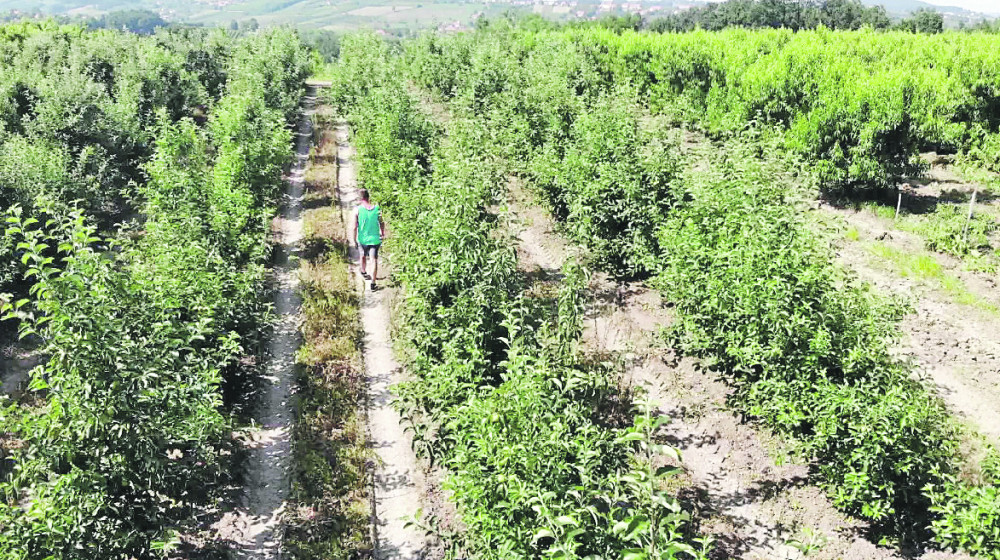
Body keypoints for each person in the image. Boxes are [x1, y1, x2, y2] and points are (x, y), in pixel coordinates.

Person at [351, 188, 384, 291]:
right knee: (374, 260)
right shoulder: (377, 209)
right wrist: (382, 233)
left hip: (362, 239)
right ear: (368, 197)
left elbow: (354, 227)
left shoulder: (358, 210)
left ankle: (363, 271)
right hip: (375, 239)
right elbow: (382, 222)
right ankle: (373, 283)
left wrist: (354, 240)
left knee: (363, 255)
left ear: (360, 199)